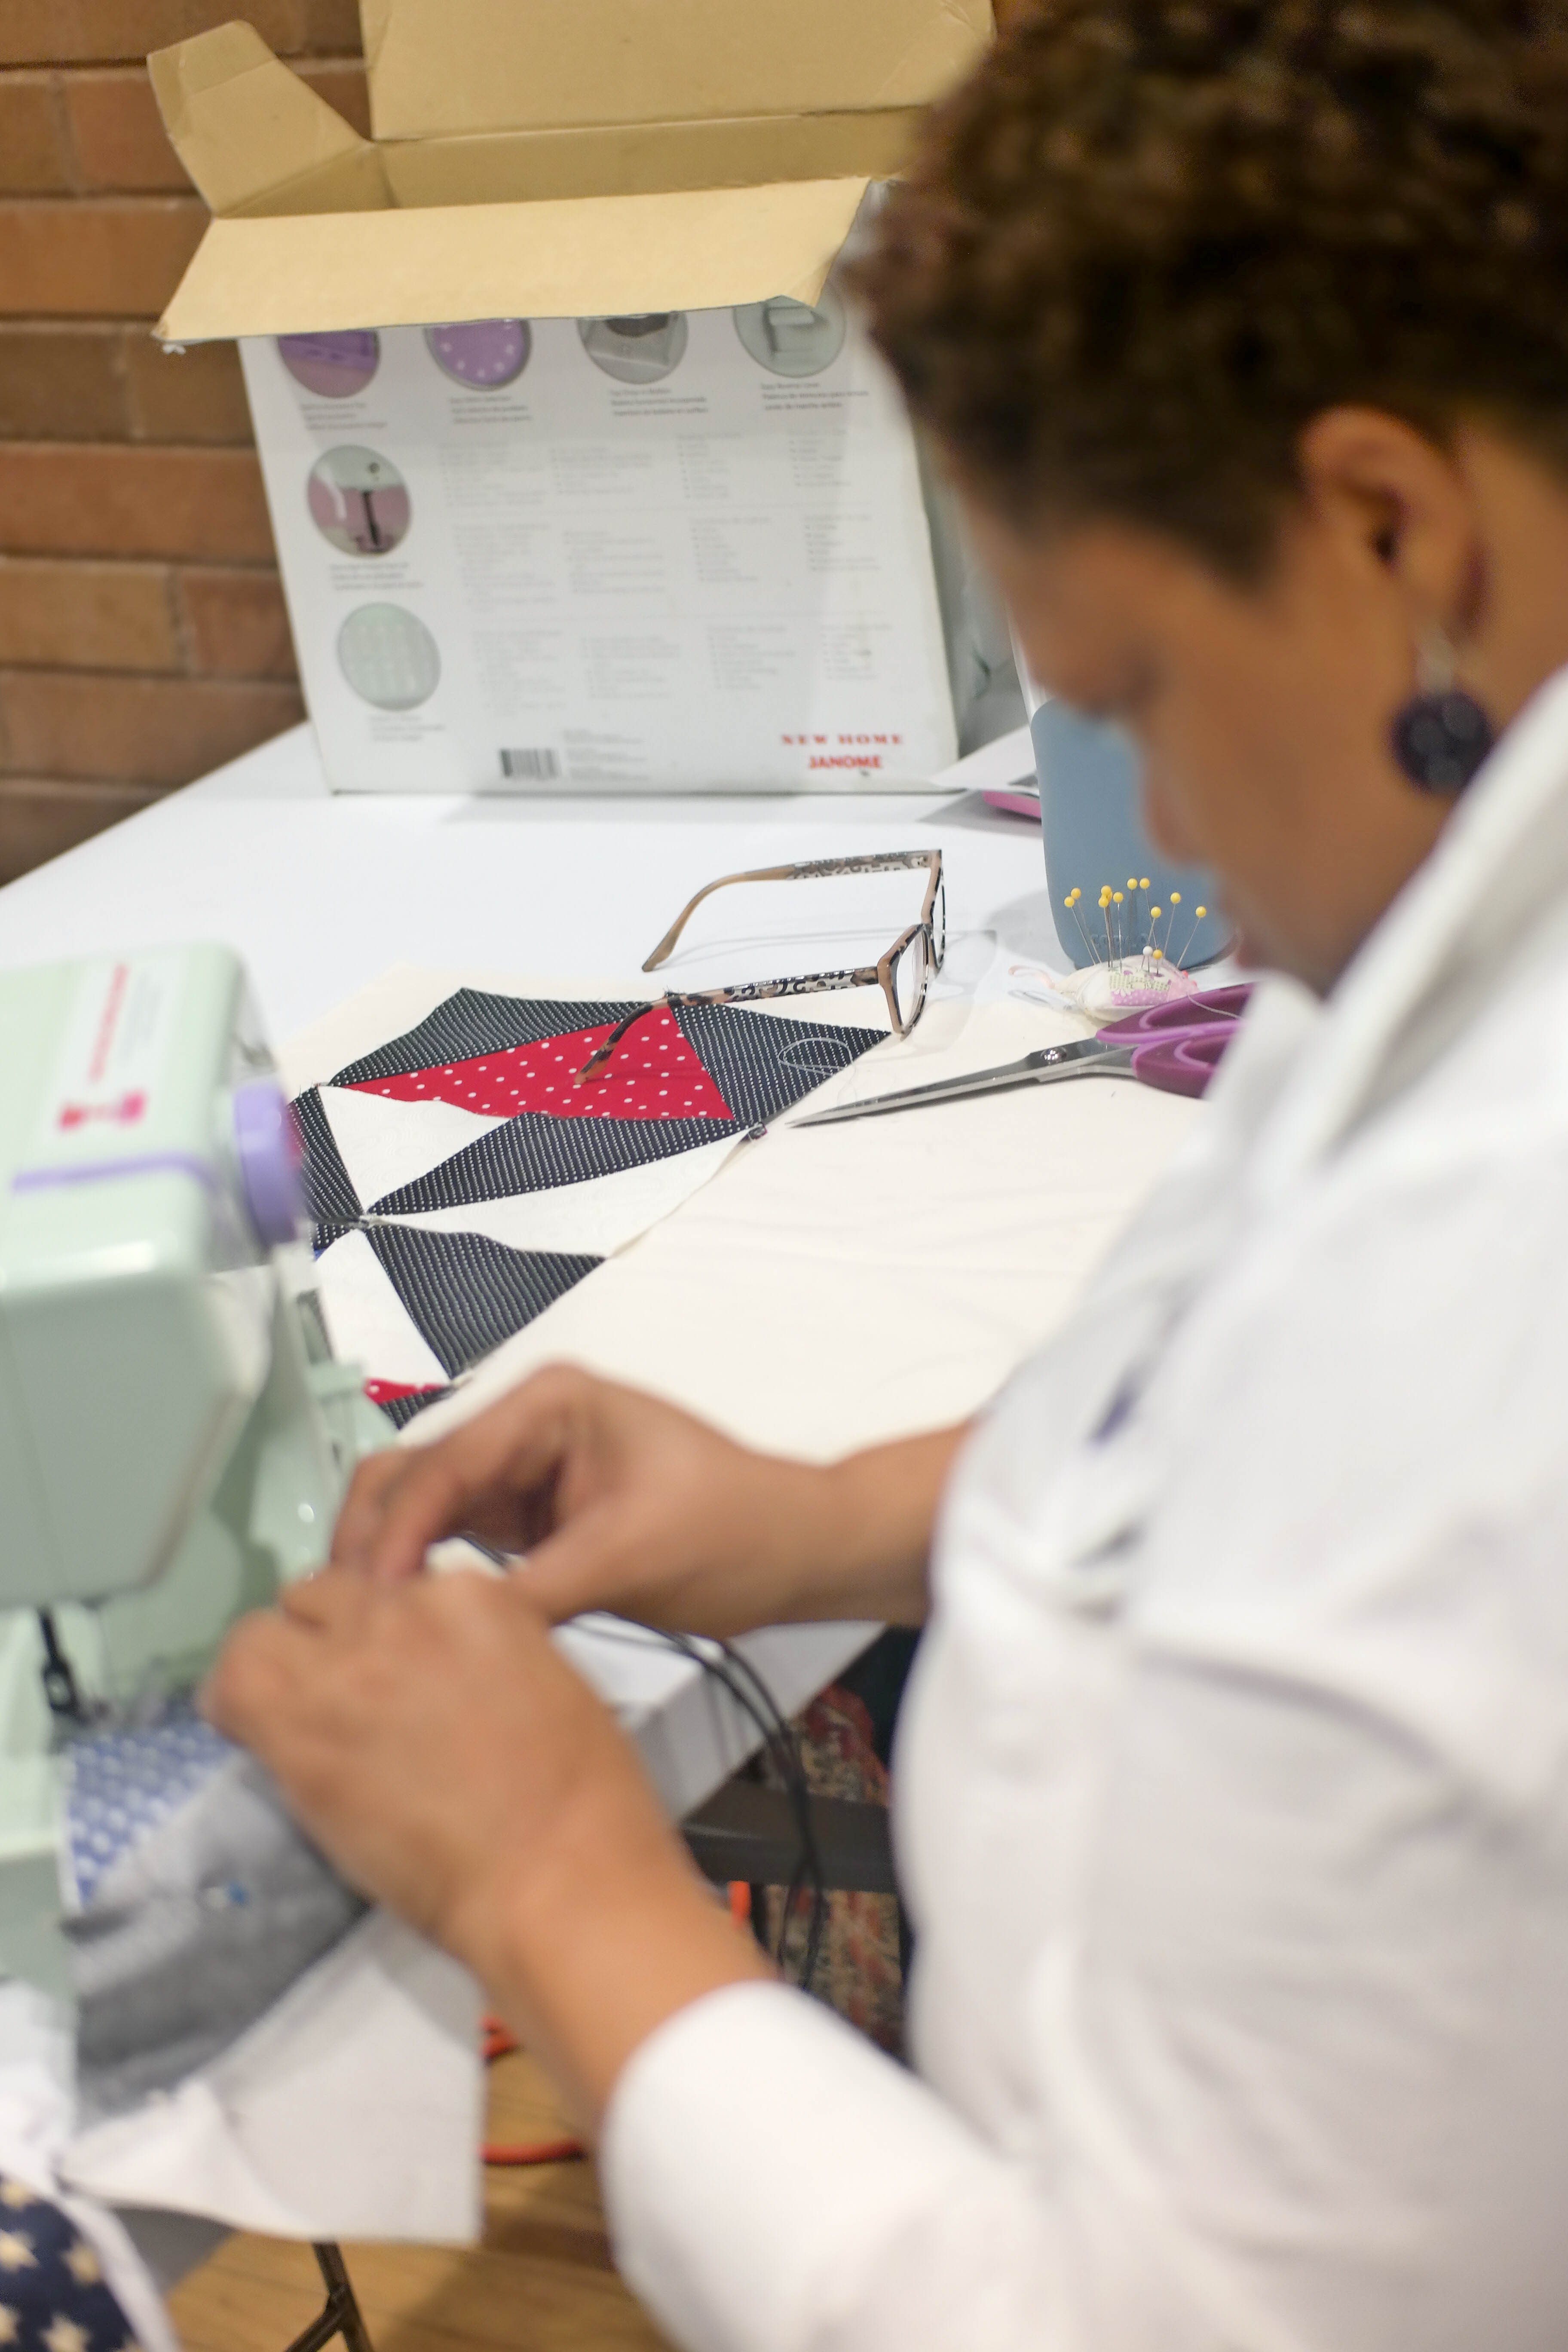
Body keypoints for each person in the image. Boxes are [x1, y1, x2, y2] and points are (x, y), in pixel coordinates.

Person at [206, 4, 1568, 2345]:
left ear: (1386, 526)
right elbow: (1234, 1401)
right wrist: (823, 1514)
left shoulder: (1500, 1333)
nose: (1176, 842)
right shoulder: (1446, 919)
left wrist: (555, 1881)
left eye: (1136, 700)